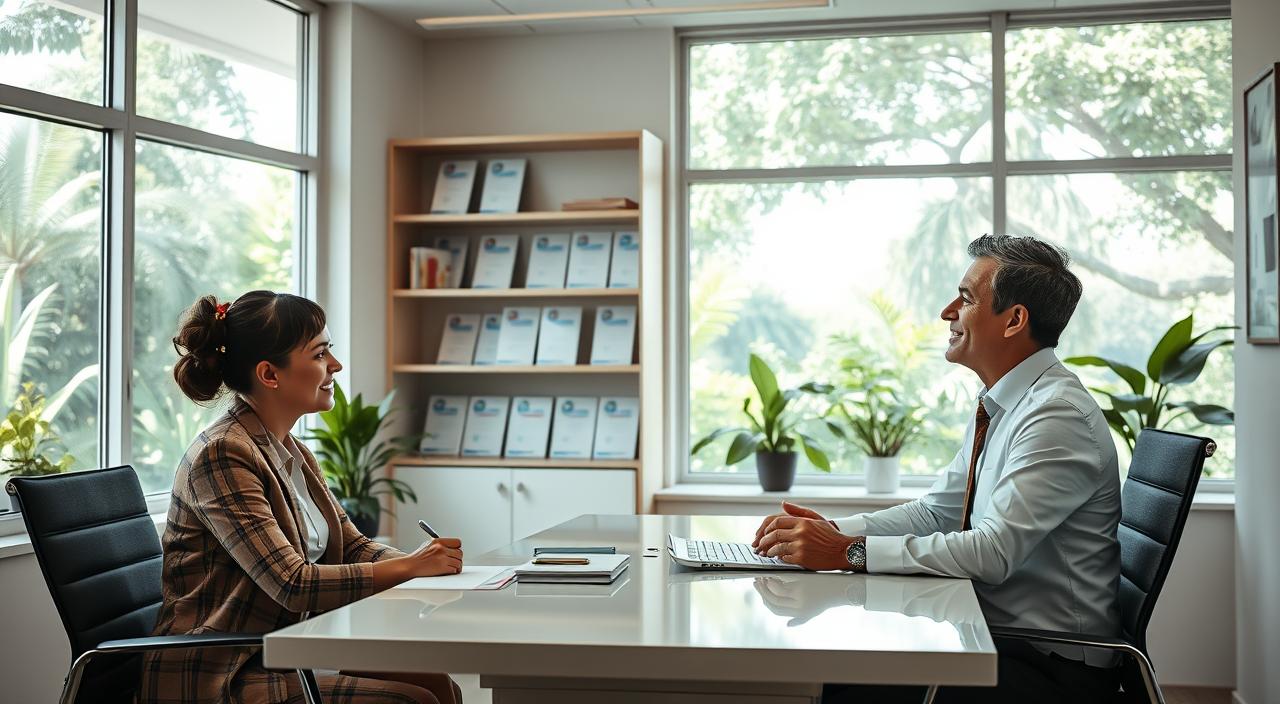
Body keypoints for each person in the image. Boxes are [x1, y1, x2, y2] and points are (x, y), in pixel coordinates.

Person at [753, 235, 1123, 703]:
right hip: (995, 638)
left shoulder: (1056, 415)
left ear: (1014, 320)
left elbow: (991, 552)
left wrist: (847, 552)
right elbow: (936, 513)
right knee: (841, 674)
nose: (947, 312)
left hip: (1051, 668)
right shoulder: (1006, 403)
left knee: (849, 689)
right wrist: (829, 532)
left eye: (966, 299)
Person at [141, 291, 465, 704]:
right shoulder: (221, 454)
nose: (336, 365)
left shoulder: (291, 451)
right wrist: (410, 567)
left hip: (285, 653)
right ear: (269, 374)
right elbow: (291, 583)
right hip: (225, 672)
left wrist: (428, 564)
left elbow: (352, 547)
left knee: (436, 684)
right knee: (413, 701)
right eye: (319, 354)